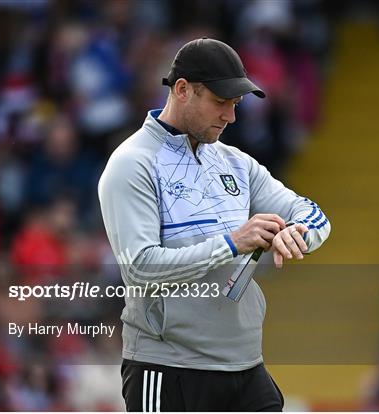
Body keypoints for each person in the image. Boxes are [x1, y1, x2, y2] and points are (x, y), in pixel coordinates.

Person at [98, 37, 330, 412]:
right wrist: (232, 242)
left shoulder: (236, 162)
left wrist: (296, 231)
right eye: (221, 102)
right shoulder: (131, 164)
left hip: (246, 365)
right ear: (183, 90)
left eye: (235, 104)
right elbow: (140, 267)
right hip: (168, 368)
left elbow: (312, 213)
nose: (230, 116)